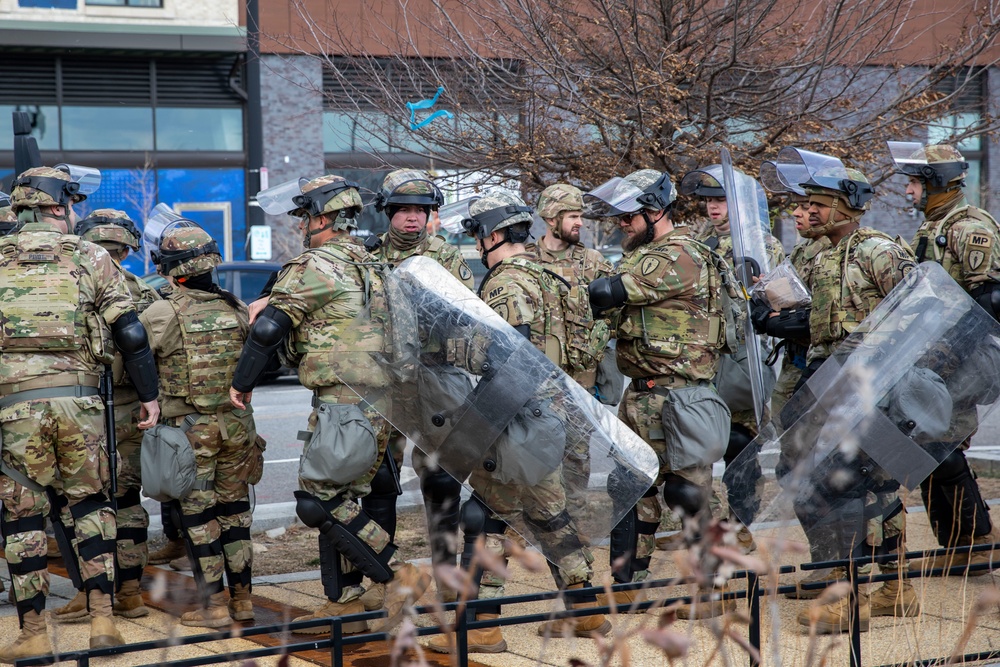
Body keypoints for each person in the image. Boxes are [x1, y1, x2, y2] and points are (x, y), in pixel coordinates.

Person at [229, 174, 428, 636]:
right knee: (345, 495)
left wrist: (243, 383)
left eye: (304, 216)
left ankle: (401, 573)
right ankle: (344, 600)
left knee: (317, 499)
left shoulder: (316, 264)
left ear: (321, 218)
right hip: (379, 401)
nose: (301, 225)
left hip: (345, 400)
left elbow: (268, 330)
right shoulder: (373, 262)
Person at [427, 191, 610, 654]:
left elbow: (511, 356)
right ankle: (586, 610)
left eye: (476, 235)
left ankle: (482, 624)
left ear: (491, 235)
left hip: (518, 414)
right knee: (549, 513)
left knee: (485, 515)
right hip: (558, 410)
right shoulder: (552, 276)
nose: (476, 245)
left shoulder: (505, 284)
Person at [754, 150, 919, 633]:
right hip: (827, 379)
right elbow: (819, 320)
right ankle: (851, 578)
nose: (806, 213)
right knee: (811, 474)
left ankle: (865, 594)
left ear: (846, 207)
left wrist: (879, 361)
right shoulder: (820, 254)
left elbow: (917, 311)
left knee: (861, 483)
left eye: (818, 205)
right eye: (805, 205)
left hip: (870, 385)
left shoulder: (878, 250)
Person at [0, 166, 160, 661]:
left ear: (19, 209)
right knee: (91, 506)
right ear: (61, 208)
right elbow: (130, 332)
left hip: (14, 406)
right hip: (83, 402)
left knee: (22, 518)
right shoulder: (91, 256)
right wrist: (150, 395)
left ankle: (32, 633)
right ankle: (103, 623)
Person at [587, 169, 732, 619]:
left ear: (655, 212)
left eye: (628, 217)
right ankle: (628, 585)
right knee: (631, 490)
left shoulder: (678, 255)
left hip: (681, 395)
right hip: (643, 393)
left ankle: (710, 590)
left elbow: (608, 292)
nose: (621, 226)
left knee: (691, 493)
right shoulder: (646, 252)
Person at [361, 168, 473, 611]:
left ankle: (447, 580)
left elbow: (465, 314)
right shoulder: (368, 255)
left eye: (420, 211)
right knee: (378, 480)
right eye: (403, 210)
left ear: (431, 215)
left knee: (440, 481)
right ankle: (382, 580)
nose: (411, 219)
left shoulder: (445, 256)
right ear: (388, 213)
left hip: (434, 376)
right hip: (385, 378)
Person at [888, 141, 1000, 575]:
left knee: (941, 447)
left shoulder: (970, 227)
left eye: (915, 183)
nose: (908, 192)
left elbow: (989, 298)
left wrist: (951, 354)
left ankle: (974, 544)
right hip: (929, 359)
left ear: (936, 184)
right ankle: (957, 545)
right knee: (926, 448)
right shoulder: (933, 226)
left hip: (962, 359)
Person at [140, 219, 258, 627]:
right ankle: (243, 600)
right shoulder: (235, 307)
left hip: (192, 432)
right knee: (236, 514)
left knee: (198, 516)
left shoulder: (160, 311)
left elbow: (128, 366)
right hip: (239, 428)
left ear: (171, 268)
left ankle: (213, 606)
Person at [52, 210, 162, 623]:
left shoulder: (70, 284)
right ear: (129, 249)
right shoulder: (144, 294)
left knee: (80, 504)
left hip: (82, 410)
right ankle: (130, 591)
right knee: (128, 500)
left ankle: (89, 591)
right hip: (131, 409)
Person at [673, 166, 786, 554]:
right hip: (703, 355)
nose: (712, 208)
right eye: (707, 201)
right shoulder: (698, 242)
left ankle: (741, 524)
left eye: (720, 200)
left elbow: (778, 296)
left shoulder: (760, 244)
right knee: (698, 440)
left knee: (742, 445)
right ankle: (705, 522)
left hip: (742, 355)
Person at [527, 183, 613, 515]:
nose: (580, 223)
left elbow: (613, 317)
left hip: (580, 387)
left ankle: (573, 532)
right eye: (573, 216)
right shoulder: (525, 261)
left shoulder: (593, 262)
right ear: (551, 217)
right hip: (536, 388)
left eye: (581, 216)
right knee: (535, 461)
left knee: (577, 462)